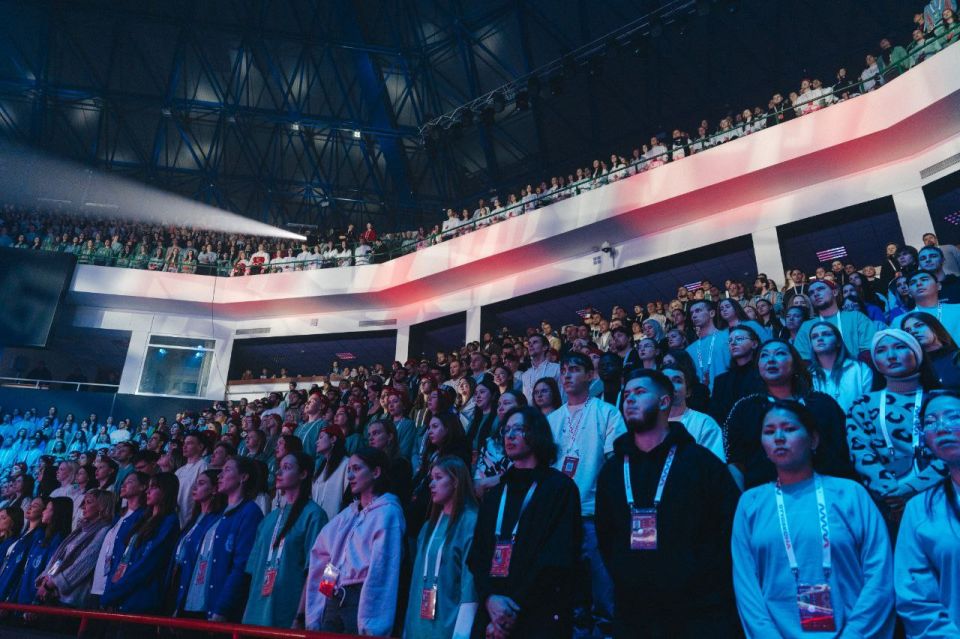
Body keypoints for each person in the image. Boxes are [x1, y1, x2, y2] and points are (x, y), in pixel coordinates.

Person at [732, 400, 895, 638]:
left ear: (813, 440)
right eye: (769, 431)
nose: (779, 437)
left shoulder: (850, 494)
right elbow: (746, 587)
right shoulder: (751, 503)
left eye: (789, 429)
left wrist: (854, 634)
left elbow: (879, 573)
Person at [596, 369, 740, 637]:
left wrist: (695, 575)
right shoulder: (613, 470)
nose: (629, 399)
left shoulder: (700, 463)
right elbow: (606, 533)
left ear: (664, 402)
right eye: (626, 395)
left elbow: (726, 527)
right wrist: (625, 572)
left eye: (640, 392)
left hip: (695, 609)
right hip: (633, 609)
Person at [467, 406, 582, 639]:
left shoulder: (560, 489)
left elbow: (558, 556)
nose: (509, 436)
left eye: (518, 429)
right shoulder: (497, 493)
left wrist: (509, 612)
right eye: (506, 430)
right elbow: (478, 553)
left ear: (537, 433)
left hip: (536, 614)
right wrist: (490, 599)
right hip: (492, 611)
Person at [546, 352, 625, 634]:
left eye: (575, 369)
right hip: (560, 518)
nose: (567, 375)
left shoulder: (607, 412)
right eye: (564, 370)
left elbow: (615, 464)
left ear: (591, 375)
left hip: (593, 514)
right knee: (570, 599)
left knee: (604, 597)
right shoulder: (552, 419)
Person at [846, 330, 948, 536]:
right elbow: (861, 454)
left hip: (942, 496)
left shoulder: (942, 401)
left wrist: (912, 488)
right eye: (881, 351)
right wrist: (892, 494)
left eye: (900, 347)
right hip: (887, 504)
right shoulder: (863, 404)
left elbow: (952, 453)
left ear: (917, 354)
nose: (891, 356)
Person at [725, 338, 856, 490]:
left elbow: (842, 452)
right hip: (764, 496)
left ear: (795, 364)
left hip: (826, 492)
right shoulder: (744, 409)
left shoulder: (823, 404)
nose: (771, 360)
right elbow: (735, 462)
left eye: (780, 353)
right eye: (764, 355)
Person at [301, 447, 405, 635]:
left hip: (360, 601)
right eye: (349, 470)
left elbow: (382, 571)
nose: (349, 476)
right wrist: (319, 604)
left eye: (356, 469)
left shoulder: (387, 513)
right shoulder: (347, 514)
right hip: (333, 598)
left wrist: (372, 626)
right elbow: (328, 559)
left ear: (376, 472)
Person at [894, 389, 960, 637]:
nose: (941, 428)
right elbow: (914, 596)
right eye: (931, 422)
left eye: (954, 417)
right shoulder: (920, 508)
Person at [244, 451, 327, 628]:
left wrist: (300, 616)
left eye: (287, 468)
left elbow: (315, 571)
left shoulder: (314, 515)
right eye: (279, 468)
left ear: (303, 474)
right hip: (255, 612)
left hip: (288, 613)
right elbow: (253, 570)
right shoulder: (269, 519)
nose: (278, 473)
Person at [403, 456, 479, 639]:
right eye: (431, 479)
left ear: (456, 481)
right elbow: (416, 581)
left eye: (438, 478)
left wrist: (462, 633)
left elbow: (469, 583)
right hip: (417, 624)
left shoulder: (470, 521)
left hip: (449, 625)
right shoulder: (428, 526)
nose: (431, 484)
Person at [186, 457, 264, 621]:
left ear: (243, 477)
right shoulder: (217, 513)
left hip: (217, 608)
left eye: (227, 470)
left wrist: (223, 607)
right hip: (196, 602)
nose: (220, 476)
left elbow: (241, 565)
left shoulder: (250, 512)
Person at [100, 473, 181, 614]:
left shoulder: (169, 521)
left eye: (154, 487)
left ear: (166, 491)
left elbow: (148, 563)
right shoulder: (143, 518)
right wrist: (112, 589)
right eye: (148, 487)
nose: (148, 491)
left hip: (140, 599)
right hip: (121, 595)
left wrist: (115, 592)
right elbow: (122, 557)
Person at [32, 490, 114, 609]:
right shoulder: (80, 530)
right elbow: (60, 558)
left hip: (73, 599)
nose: (83, 506)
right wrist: (46, 578)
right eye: (83, 502)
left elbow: (84, 561)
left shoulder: (104, 530)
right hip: (56, 593)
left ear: (102, 506)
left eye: (89, 502)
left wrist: (53, 583)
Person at [88, 471, 148, 608]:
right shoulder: (118, 516)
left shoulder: (142, 517)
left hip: (113, 588)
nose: (123, 485)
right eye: (123, 482)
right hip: (98, 584)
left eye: (130, 482)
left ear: (143, 487)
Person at [170, 469, 224, 616]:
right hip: (178, 578)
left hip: (196, 583)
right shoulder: (194, 519)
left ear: (214, 489)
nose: (195, 487)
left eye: (201, 483)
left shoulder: (217, 520)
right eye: (195, 483)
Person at [793, 279, 878, 361]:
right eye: (811, 293)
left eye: (820, 289)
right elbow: (803, 360)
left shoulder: (856, 317)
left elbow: (870, 350)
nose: (815, 294)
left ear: (835, 292)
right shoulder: (806, 326)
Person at [661, 362, 726, 461]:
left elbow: (715, 465)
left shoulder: (704, 424)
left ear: (688, 392)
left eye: (677, 381)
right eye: (665, 381)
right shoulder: (647, 423)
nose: (670, 385)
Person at [807, 320, 874, 413]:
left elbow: (870, 403)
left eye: (826, 334)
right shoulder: (808, 375)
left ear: (838, 342)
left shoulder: (860, 369)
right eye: (814, 336)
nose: (820, 338)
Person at [16, 496, 72, 604]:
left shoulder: (58, 541)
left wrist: (37, 599)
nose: (43, 512)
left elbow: (51, 570)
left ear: (57, 513)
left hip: (34, 601)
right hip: (23, 596)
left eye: (47, 509)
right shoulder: (42, 538)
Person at [709, 325, 765, 423]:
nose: (733, 343)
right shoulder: (720, 380)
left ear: (754, 344)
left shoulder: (764, 374)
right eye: (730, 341)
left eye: (739, 339)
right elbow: (714, 416)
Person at [895, 269, 960, 343]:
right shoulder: (899, 321)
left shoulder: (958, 310)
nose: (918, 284)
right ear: (909, 293)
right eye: (913, 283)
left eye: (924, 279)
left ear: (938, 286)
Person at [902, 310, 960, 388]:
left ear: (934, 327)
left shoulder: (957, 357)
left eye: (919, 325)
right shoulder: (911, 367)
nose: (913, 332)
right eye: (908, 330)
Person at [685, 300, 730, 391]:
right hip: (702, 396)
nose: (694, 315)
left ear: (712, 313)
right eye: (692, 313)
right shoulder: (689, 350)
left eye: (698, 311)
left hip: (729, 391)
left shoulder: (728, 336)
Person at [311, 422, 350, 521]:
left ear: (333, 439)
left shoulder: (346, 464)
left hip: (335, 523)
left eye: (321, 437)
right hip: (317, 523)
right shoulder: (321, 467)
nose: (316, 442)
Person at [174, 433, 209, 527]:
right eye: (184, 443)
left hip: (190, 520)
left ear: (200, 446)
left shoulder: (203, 466)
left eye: (189, 443)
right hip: (176, 519)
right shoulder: (179, 471)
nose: (184, 446)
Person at [520, 334, 561, 404]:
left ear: (545, 347)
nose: (530, 345)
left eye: (535, 342)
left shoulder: (557, 369)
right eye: (529, 343)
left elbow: (562, 396)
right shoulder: (525, 375)